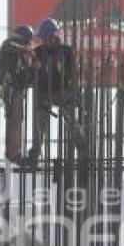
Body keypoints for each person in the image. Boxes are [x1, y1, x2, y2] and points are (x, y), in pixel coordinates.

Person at [28, 18, 86, 164]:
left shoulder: (66, 52)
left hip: (63, 91)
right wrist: (34, 68)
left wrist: (75, 92)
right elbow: (31, 75)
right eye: (42, 39)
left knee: (73, 120)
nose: (43, 41)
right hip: (44, 92)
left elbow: (75, 74)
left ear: (54, 37)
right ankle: (35, 152)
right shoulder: (38, 52)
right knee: (39, 120)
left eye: (45, 38)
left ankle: (83, 152)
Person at [0, 25, 36, 163]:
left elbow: (28, 77)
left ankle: (12, 152)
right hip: (11, 90)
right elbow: (10, 45)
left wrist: (30, 64)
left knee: (15, 121)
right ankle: (14, 153)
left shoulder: (20, 55)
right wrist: (26, 50)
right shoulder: (9, 44)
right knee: (14, 122)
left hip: (17, 90)